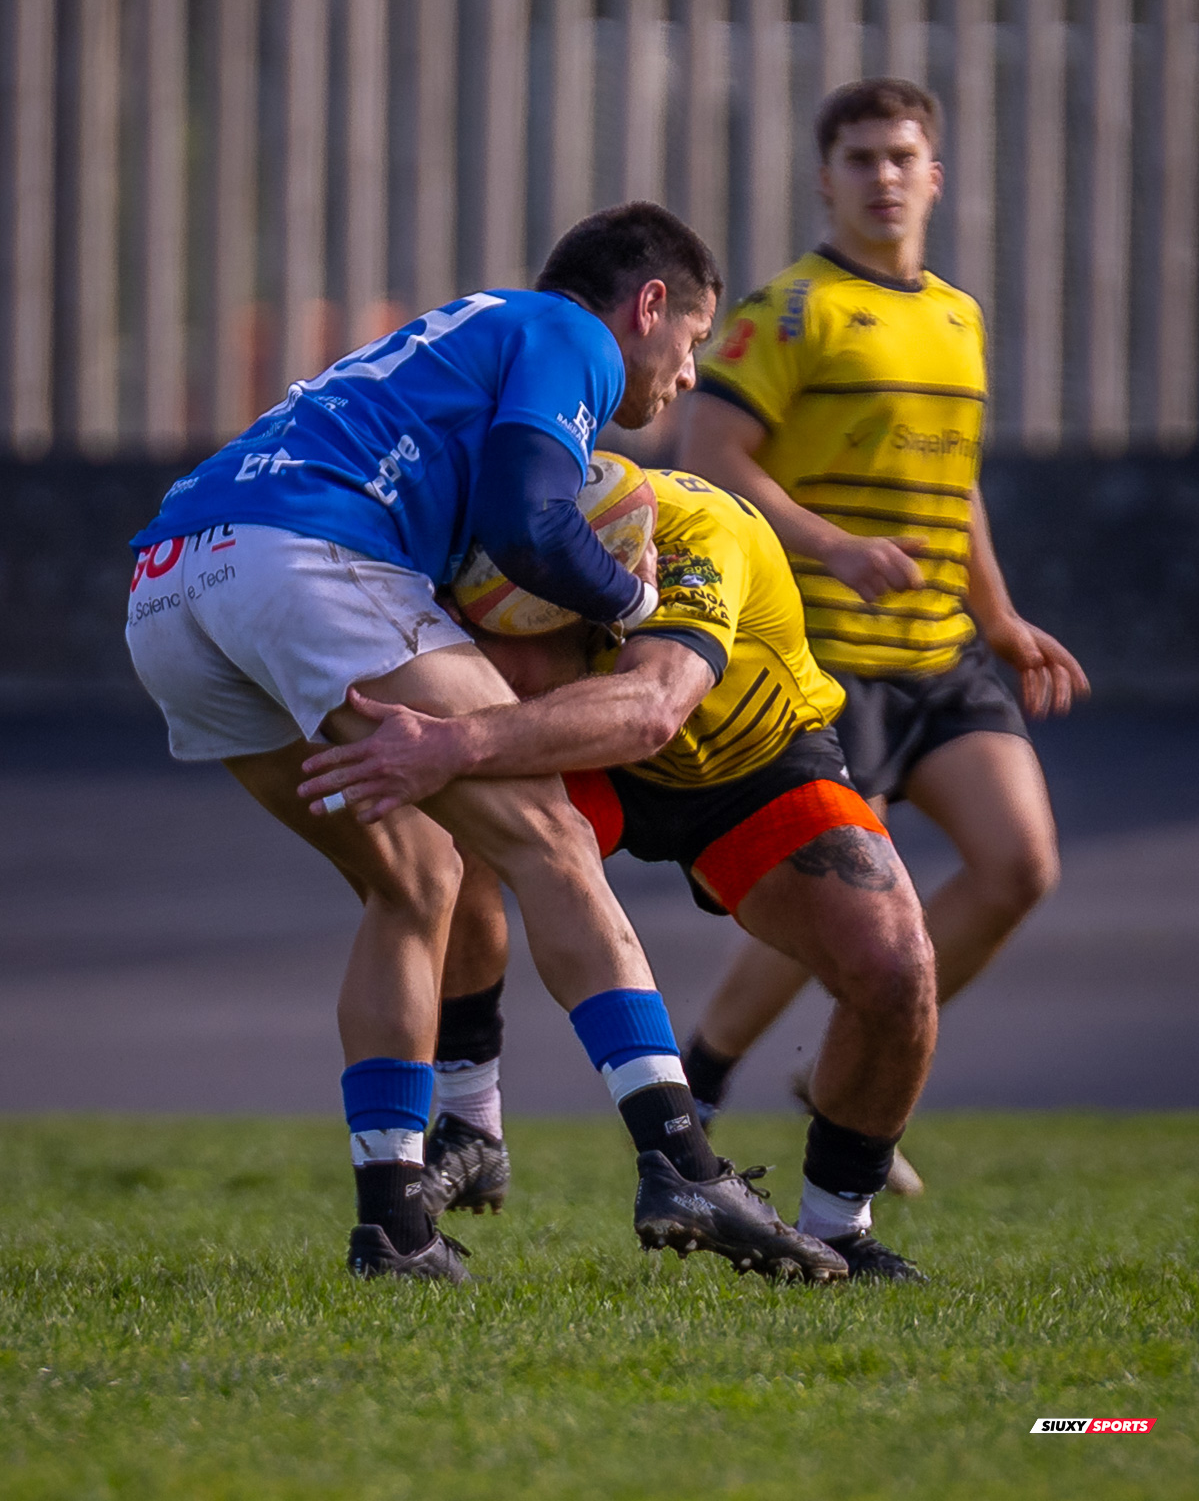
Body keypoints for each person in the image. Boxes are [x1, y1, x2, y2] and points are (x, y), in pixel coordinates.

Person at [126, 203, 844, 1289]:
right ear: (646, 306)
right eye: (691, 343)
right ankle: (681, 1160)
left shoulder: (462, 335)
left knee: (414, 881)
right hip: (304, 560)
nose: (686, 376)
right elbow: (531, 524)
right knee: (549, 836)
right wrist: (631, 595)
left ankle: (394, 1230)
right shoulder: (568, 335)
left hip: (169, 582)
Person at [298, 463, 940, 1281]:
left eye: (503, 641)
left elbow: (649, 711)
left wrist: (456, 741)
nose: (489, 664)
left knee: (894, 967)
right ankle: (471, 1119)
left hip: (744, 765)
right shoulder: (480, 518)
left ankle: (839, 1229)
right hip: (584, 756)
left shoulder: (688, 538)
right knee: (439, 847)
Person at [670, 79, 1089, 1165]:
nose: (882, 177)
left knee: (1017, 867)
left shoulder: (956, 316)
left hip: (938, 655)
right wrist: (833, 547)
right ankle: (703, 1077)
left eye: (901, 157)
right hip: (820, 659)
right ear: (826, 178)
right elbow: (705, 461)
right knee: (840, 904)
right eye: (859, 159)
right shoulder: (789, 310)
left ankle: (833, 1068)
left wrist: (995, 616)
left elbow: (955, 487)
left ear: (933, 176)